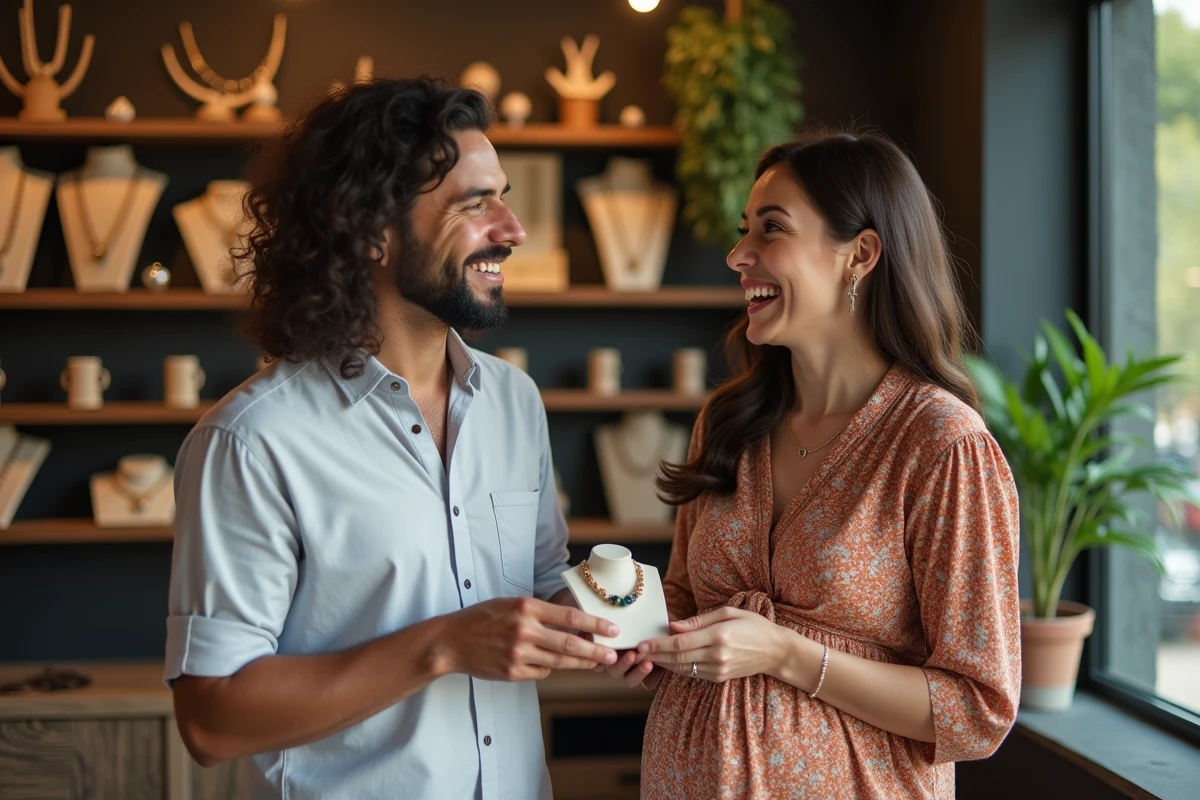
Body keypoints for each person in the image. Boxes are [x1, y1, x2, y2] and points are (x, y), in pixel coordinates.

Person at [164, 77, 620, 800]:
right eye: (474, 204)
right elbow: (212, 720)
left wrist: (618, 616)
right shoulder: (252, 441)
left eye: (501, 197)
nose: (513, 229)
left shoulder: (514, 402)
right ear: (371, 231)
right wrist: (444, 645)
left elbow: (535, 586)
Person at [602, 129, 1021, 798]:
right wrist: (644, 639)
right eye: (743, 231)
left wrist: (785, 653)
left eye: (771, 229)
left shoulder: (941, 445)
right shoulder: (726, 421)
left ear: (861, 254)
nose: (739, 255)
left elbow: (977, 712)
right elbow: (685, 597)